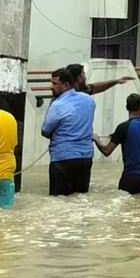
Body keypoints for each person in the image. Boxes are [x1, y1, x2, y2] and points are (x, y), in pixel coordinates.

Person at [42, 67, 96, 195]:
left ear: (66, 85)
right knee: (80, 200)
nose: (51, 87)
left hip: (62, 159)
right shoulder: (88, 100)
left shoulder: (57, 105)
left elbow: (45, 131)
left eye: (55, 83)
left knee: (59, 204)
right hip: (85, 158)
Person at [94, 93, 140, 195]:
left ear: (127, 107)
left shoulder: (123, 127)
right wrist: (119, 136)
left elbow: (106, 151)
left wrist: (96, 140)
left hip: (131, 177)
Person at [66, 63, 135, 95]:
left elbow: (97, 86)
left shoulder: (84, 90)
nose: (85, 78)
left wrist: (117, 81)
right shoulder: (65, 96)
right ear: (79, 78)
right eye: (83, 75)